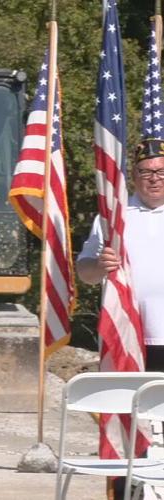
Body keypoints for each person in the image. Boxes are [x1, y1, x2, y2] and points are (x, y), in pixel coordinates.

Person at [76, 137, 164, 369]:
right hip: (127, 336)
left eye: (161, 171)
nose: (154, 179)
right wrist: (98, 266)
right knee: (130, 404)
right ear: (134, 177)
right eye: (145, 172)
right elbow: (85, 274)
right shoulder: (113, 216)